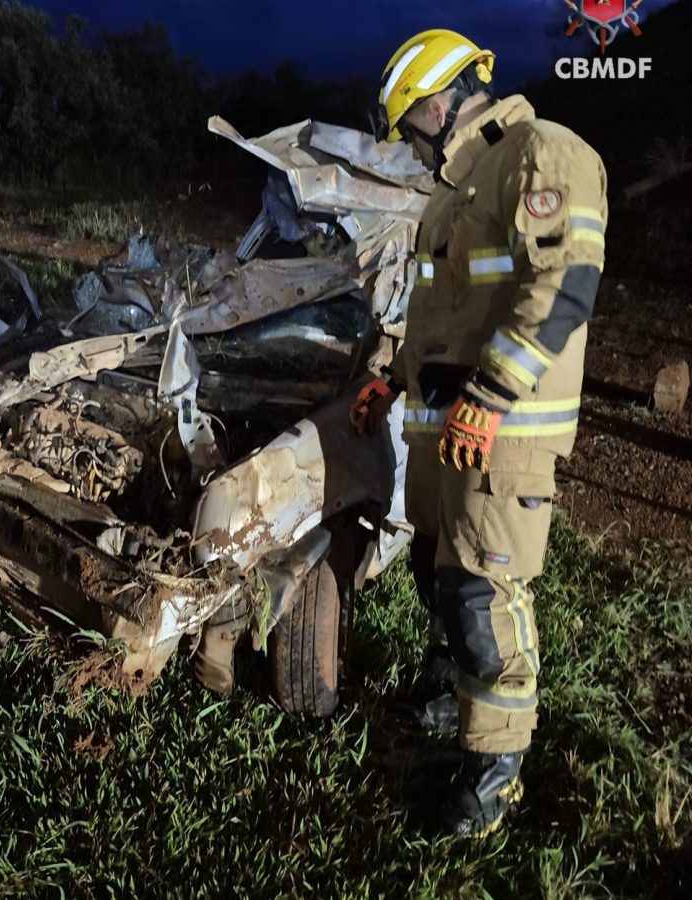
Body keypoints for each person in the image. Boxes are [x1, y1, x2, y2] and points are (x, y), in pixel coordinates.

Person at [350, 29, 607, 837]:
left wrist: (491, 394)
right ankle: (443, 694)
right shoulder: (453, 195)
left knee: (480, 597)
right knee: (435, 570)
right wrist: (386, 375)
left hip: (503, 431)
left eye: (411, 130)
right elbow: (437, 316)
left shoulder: (542, 153)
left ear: (436, 103)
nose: (413, 149)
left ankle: (493, 781)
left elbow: (566, 286)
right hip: (445, 433)